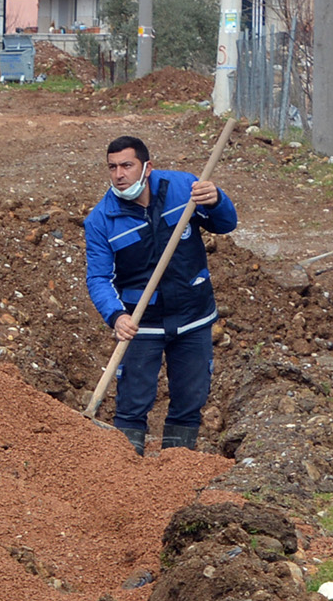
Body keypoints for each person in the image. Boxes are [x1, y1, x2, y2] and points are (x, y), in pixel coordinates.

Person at [83, 134, 236, 455]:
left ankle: (177, 471)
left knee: (189, 400)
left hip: (194, 316)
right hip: (142, 324)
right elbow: (98, 278)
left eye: (127, 165)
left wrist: (217, 199)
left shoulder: (185, 189)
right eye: (112, 167)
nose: (119, 174)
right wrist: (116, 315)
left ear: (147, 167)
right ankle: (126, 471)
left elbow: (226, 225)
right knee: (132, 404)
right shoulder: (102, 219)